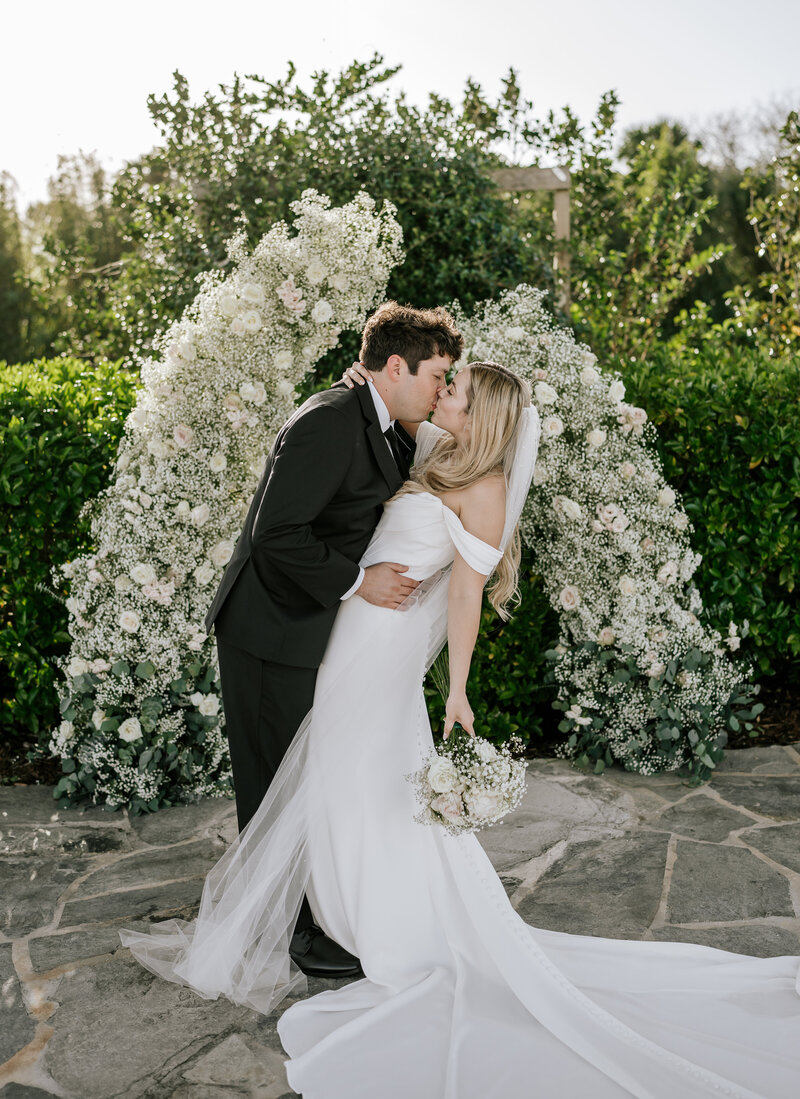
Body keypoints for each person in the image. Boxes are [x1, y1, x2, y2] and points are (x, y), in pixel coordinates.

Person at [120, 362, 800, 1099]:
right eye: (445, 383)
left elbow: (466, 597)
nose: (446, 394)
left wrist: (459, 691)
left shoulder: (486, 488)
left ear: (486, 417)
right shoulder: (438, 450)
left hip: (382, 655)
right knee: (337, 777)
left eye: (458, 392)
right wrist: (368, 382)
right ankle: (338, 909)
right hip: (348, 635)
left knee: (359, 772)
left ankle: (383, 921)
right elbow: (385, 423)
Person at [201, 299, 464, 979]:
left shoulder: (387, 421)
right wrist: (358, 581)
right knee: (271, 789)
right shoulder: (327, 421)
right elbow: (276, 533)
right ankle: (287, 934)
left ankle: (304, 911)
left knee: (301, 781)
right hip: (267, 630)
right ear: (397, 366)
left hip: (305, 631)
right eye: (438, 375)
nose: (443, 388)